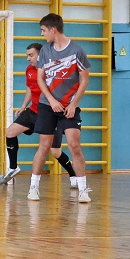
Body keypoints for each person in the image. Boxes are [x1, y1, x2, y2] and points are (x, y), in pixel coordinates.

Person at [28, 13, 91, 203]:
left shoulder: (77, 51)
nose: (42, 34)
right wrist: (51, 100)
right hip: (48, 105)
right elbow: (40, 78)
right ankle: (33, 187)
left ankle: (83, 189)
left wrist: (73, 104)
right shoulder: (45, 51)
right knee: (44, 145)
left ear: (53, 30)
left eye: (43, 30)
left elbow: (84, 80)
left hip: (69, 106)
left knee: (74, 145)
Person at [0, 42, 78, 187]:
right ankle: (13, 168)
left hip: (49, 114)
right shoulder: (29, 69)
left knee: (55, 151)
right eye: (27, 55)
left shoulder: (51, 71)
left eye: (31, 55)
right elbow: (30, 88)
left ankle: (73, 175)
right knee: (10, 132)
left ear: (40, 55)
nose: (28, 58)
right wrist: (23, 106)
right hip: (33, 111)